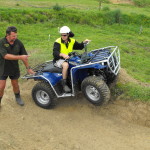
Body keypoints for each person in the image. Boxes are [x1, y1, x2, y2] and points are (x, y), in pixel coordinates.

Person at [0, 26, 35, 107]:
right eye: (13, 36)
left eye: (16, 35)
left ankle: (18, 97)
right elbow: (5, 56)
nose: (15, 37)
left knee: (15, 84)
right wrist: (20, 57)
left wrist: (28, 68)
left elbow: (24, 57)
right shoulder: (1, 42)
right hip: (2, 68)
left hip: (14, 68)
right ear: (7, 35)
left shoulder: (18, 42)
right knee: (1, 87)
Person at [53, 26, 90, 93]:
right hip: (59, 60)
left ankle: (80, 80)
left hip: (70, 58)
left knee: (80, 62)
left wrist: (84, 43)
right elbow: (55, 53)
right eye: (61, 35)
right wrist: (62, 54)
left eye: (64, 35)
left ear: (68, 34)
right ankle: (64, 84)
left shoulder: (72, 41)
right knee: (66, 65)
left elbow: (79, 46)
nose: (63, 36)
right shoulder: (57, 42)